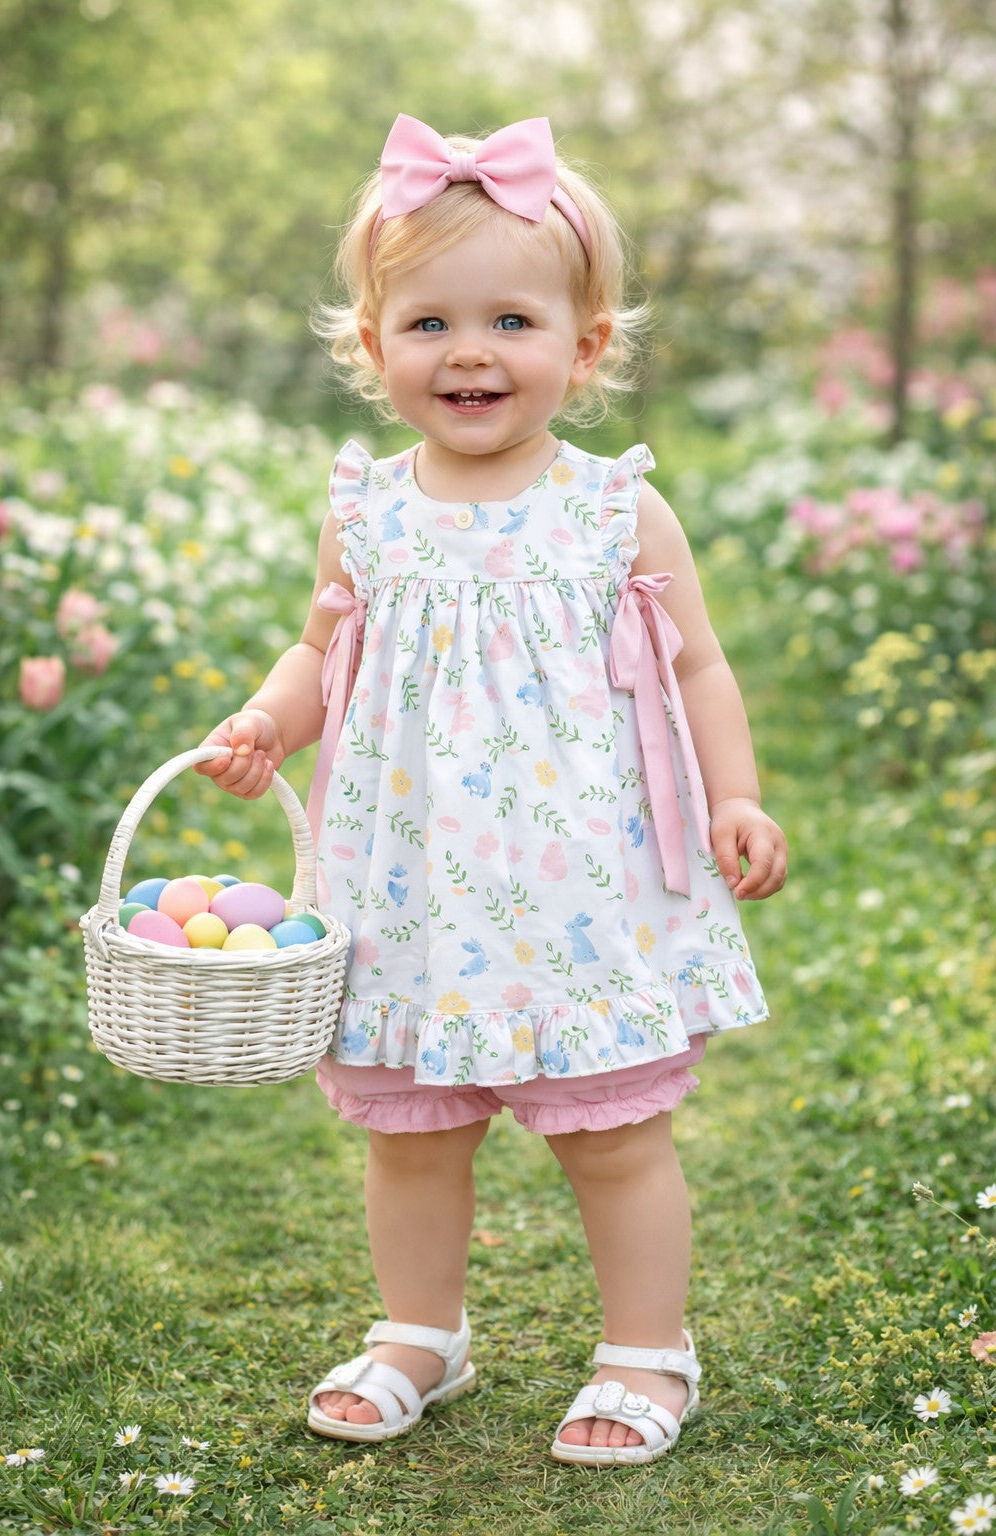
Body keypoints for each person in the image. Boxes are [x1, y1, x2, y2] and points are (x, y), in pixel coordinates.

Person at [197, 113, 787, 1466]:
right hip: (406, 881)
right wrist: (266, 722)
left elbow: (696, 667)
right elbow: (321, 643)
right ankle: (422, 1332)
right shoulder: (369, 510)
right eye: (430, 324)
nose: (471, 352)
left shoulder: (615, 511)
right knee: (410, 1135)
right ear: (371, 343)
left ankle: (648, 1350)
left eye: (512, 320)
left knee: (614, 1135)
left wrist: (736, 795)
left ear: (583, 350)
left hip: (584, 890)